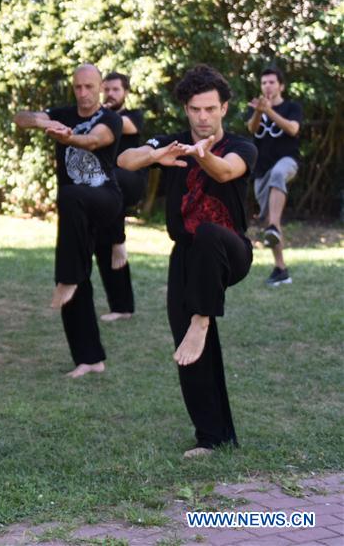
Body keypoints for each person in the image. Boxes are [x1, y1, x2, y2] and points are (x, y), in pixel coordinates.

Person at [118, 64, 256, 458]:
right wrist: (155, 155)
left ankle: (202, 318)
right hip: (188, 256)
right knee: (189, 349)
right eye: (195, 109)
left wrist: (203, 156)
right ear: (186, 109)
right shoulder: (173, 143)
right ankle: (213, 437)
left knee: (209, 233)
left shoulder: (241, 146)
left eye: (210, 109)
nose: (203, 117)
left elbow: (226, 172)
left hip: (230, 251)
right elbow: (125, 159)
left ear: (224, 108)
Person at [13, 64, 123, 379]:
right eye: (78, 87)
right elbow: (20, 118)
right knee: (75, 279)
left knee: (70, 194)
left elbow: (94, 142)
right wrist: (41, 121)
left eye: (89, 87)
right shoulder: (62, 113)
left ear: (100, 87)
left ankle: (69, 277)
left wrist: (69, 136)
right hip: (75, 211)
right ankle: (90, 359)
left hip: (104, 200)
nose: (83, 93)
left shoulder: (110, 119)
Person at [96, 72, 147, 321]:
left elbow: (121, 125)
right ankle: (121, 307)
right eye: (106, 89)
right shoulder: (99, 117)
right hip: (105, 188)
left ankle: (119, 239)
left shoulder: (133, 116)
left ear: (125, 92)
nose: (110, 94)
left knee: (110, 178)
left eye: (115, 89)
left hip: (130, 179)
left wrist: (97, 113)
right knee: (100, 241)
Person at [245, 67, 302, 286]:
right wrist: (260, 112)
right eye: (264, 83)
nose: (267, 86)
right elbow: (252, 129)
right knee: (269, 224)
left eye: (271, 82)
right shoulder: (257, 108)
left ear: (281, 86)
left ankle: (274, 225)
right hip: (262, 169)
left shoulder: (292, 107)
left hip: (288, 162)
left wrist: (269, 111)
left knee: (279, 173)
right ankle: (281, 269)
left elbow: (292, 129)